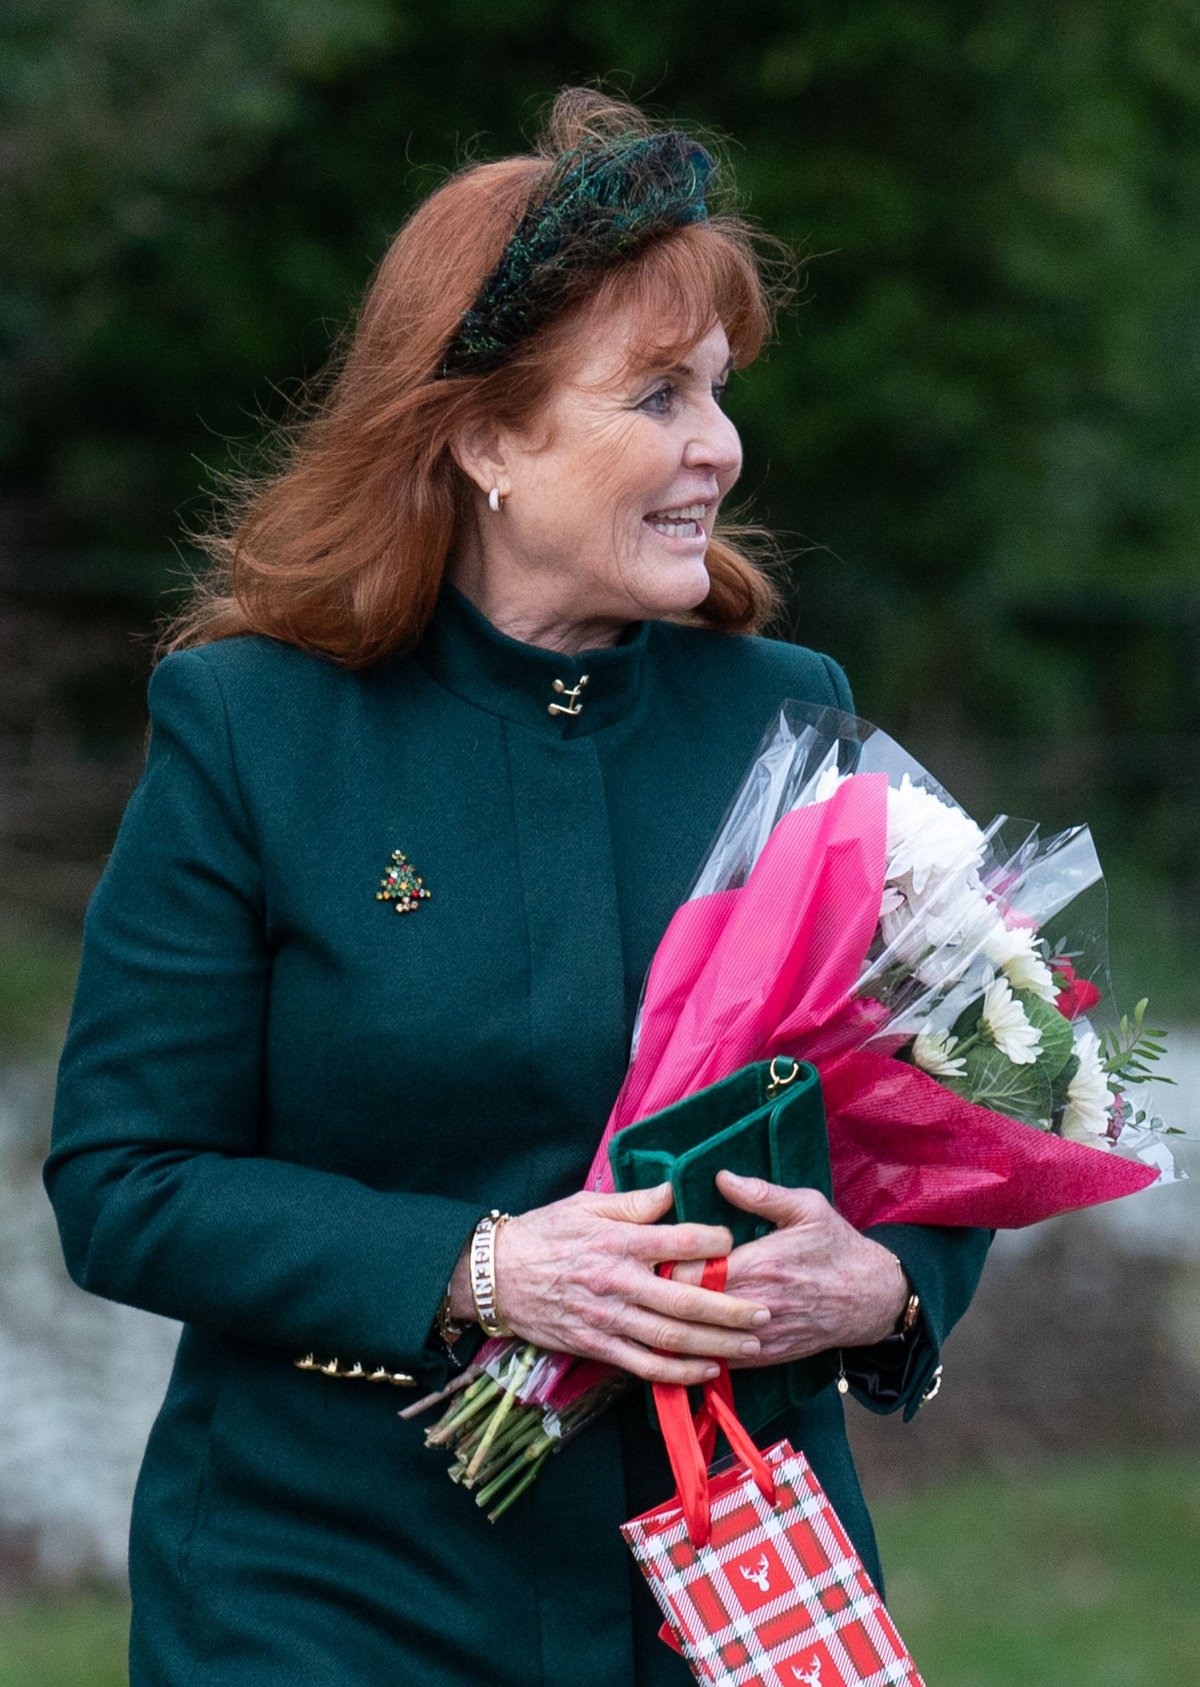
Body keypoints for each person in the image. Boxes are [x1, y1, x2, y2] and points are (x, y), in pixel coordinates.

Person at [45, 88, 990, 1686]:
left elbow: (953, 1107)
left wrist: (893, 1284)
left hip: (730, 1585)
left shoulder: (790, 716)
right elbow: (127, 1179)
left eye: (719, 393)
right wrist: (485, 1269)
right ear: (483, 436)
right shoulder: (257, 729)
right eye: (656, 397)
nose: (720, 447)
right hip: (328, 1592)